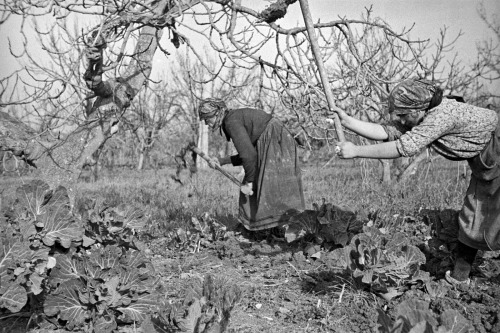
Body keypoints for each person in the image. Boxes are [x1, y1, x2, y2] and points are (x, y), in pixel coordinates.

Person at [334, 78, 499, 285]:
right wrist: (347, 120)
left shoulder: (440, 117)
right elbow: (387, 132)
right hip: (486, 160)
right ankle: (460, 278)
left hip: (496, 153)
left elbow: (403, 147)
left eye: (403, 115)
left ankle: (462, 277)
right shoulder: (425, 113)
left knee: (482, 213)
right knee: (473, 213)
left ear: (419, 109)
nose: (400, 120)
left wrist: (356, 151)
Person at [198, 98, 306, 231]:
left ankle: (283, 229)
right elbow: (249, 152)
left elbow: (249, 156)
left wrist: (249, 182)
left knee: (271, 189)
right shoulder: (233, 118)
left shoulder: (231, 122)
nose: (207, 124)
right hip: (276, 140)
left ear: (216, 114)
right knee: (268, 189)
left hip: (276, 141)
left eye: (207, 119)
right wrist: (222, 161)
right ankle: (266, 229)